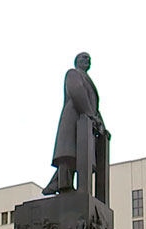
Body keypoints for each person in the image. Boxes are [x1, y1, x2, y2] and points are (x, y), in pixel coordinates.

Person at [44, 52, 110, 195]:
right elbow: (77, 92)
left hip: (85, 124)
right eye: (84, 57)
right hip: (73, 120)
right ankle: (63, 185)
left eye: (89, 58)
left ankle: (56, 184)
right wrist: (91, 115)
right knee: (69, 155)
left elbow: (95, 109)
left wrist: (103, 127)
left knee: (78, 157)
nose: (88, 60)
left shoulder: (88, 81)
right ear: (76, 61)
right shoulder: (73, 74)